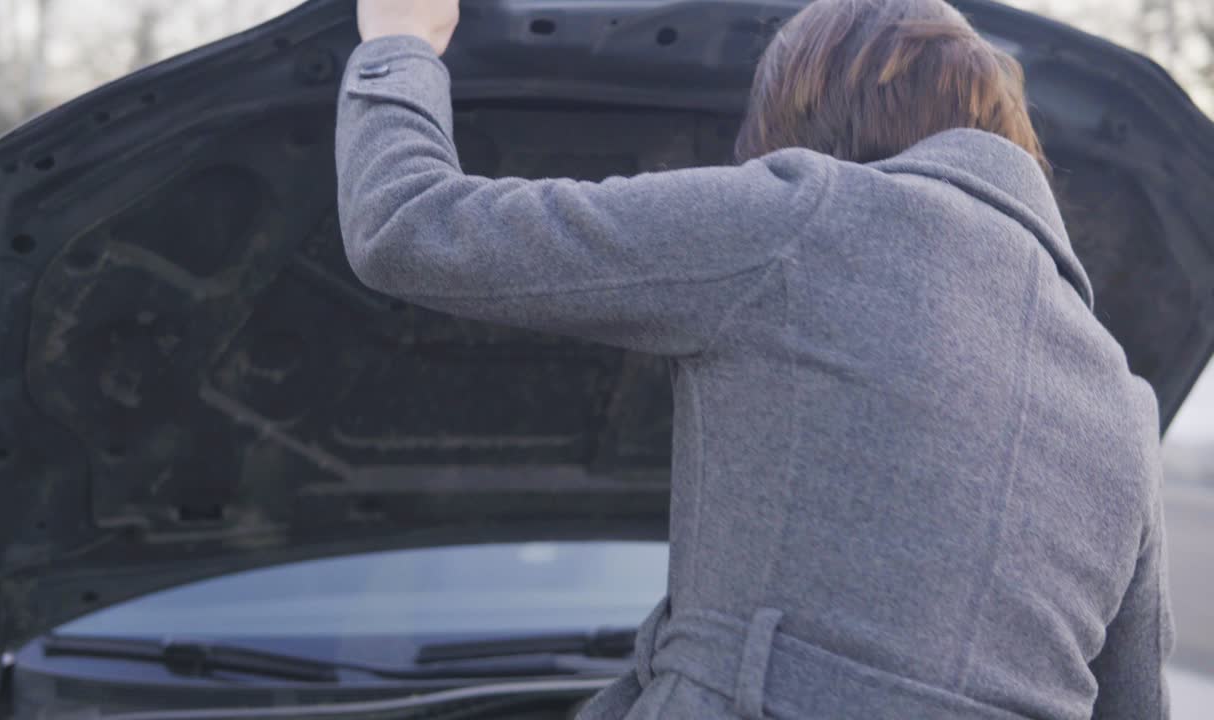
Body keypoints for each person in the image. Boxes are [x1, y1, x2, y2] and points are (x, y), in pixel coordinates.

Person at [337, 0, 1172, 718]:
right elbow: (1134, 705)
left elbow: (407, 225)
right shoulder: (1121, 396)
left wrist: (400, 39)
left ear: (802, 122)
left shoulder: (806, 220)